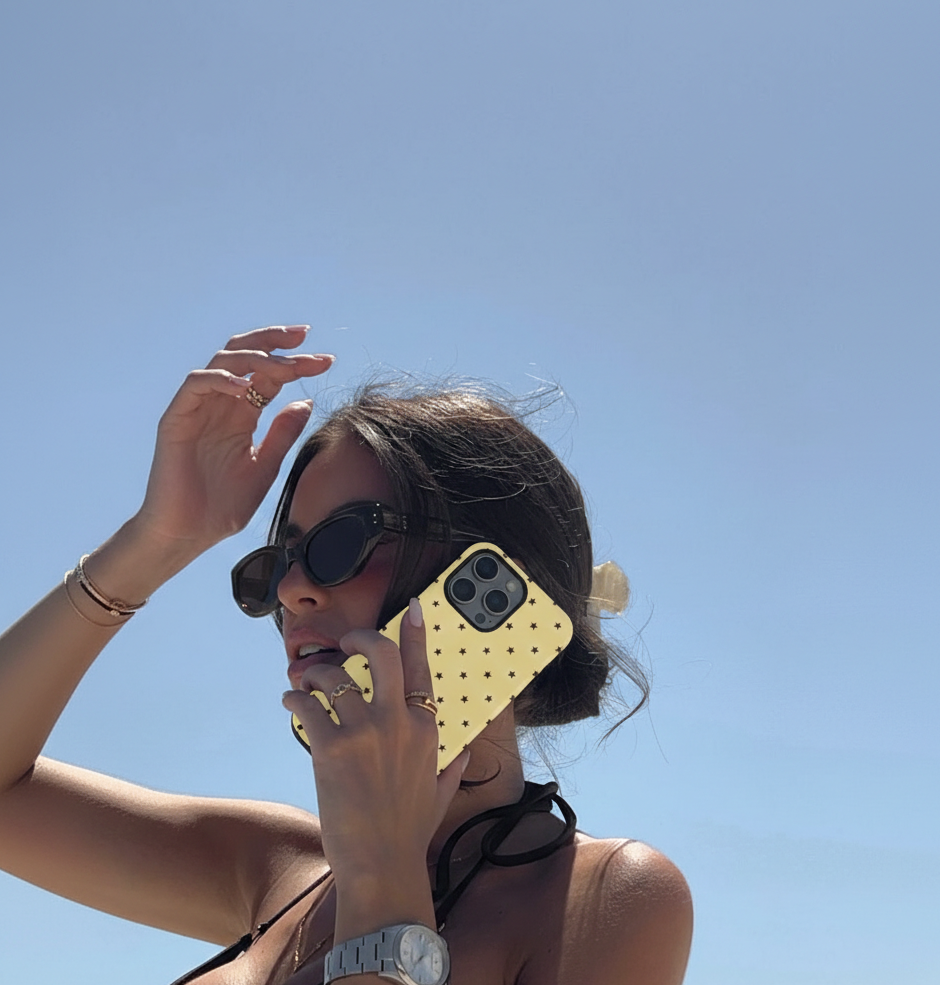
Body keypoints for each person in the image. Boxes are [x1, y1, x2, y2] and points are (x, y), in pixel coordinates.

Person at [0, 326, 692, 984]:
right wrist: (156, 541)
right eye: (278, 563)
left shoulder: (608, 894)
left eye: (340, 543)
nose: (293, 589)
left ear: (500, 578)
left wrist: (385, 877)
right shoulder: (280, 867)